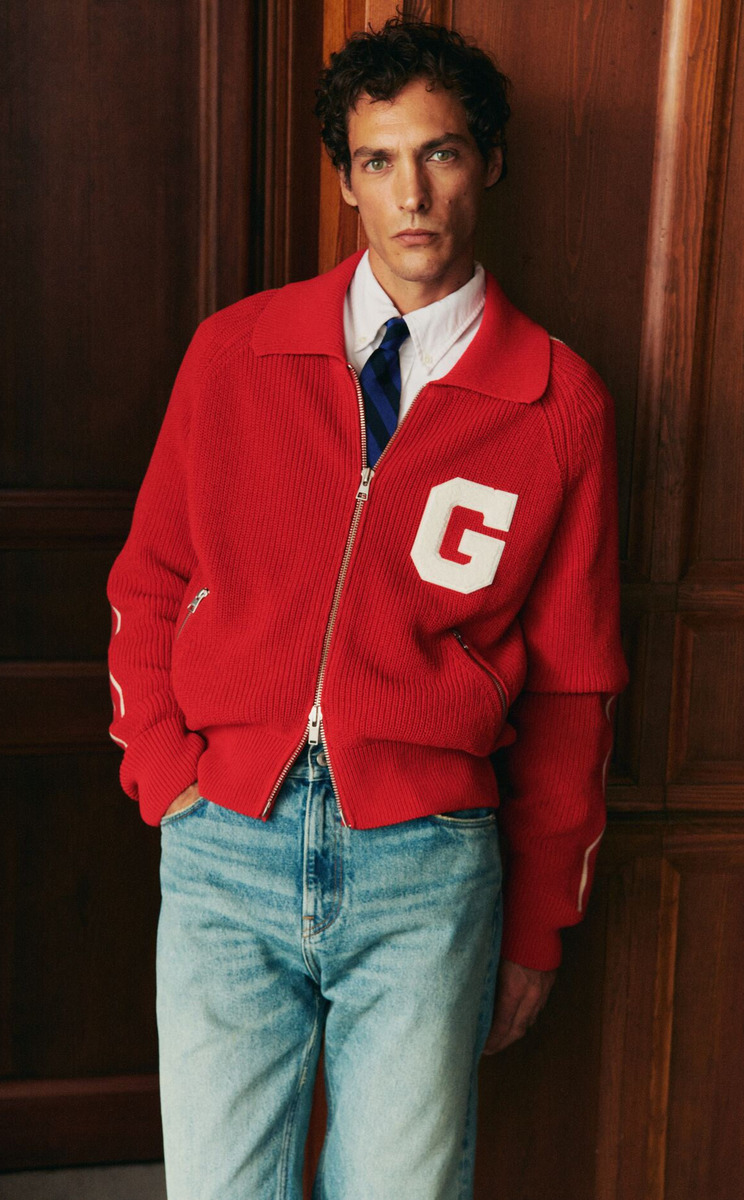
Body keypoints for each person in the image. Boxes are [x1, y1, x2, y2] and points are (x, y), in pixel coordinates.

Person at [106, 17, 628, 1200]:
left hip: (425, 868)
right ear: (344, 179)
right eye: (381, 161)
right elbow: (146, 579)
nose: (413, 195)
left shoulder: (556, 404)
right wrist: (163, 769)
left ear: (486, 164)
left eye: (440, 154)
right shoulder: (233, 355)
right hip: (223, 846)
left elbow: (575, 685)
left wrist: (537, 922)